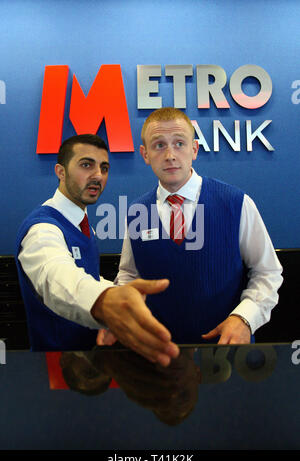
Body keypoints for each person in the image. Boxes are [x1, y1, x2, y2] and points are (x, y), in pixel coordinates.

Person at [113, 107, 283, 345]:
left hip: (228, 354)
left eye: (179, 143)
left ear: (194, 149)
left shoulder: (236, 202)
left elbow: (267, 272)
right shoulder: (136, 212)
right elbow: (129, 275)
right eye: (159, 145)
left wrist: (245, 319)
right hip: (159, 354)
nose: (170, 155)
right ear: (145, 154)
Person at [15, 134, 179, 366]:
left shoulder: (82, 224)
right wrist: (105, 301)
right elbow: (56, 276)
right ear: (60, 172)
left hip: (90, 364)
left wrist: (115, 291)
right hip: (55, 371)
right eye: (86, 165)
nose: (98, 176)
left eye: (104, 168)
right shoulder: (42, 229)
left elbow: (84, 275)